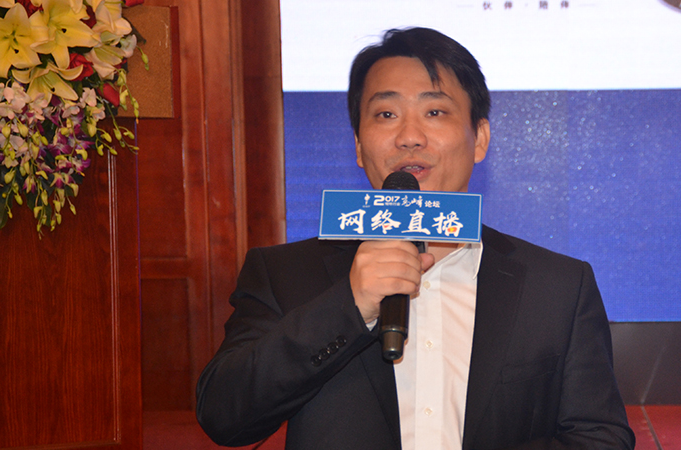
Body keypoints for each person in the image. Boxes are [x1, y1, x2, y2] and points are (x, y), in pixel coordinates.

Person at [196, 27, 635, 450]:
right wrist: (349, 305)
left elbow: (600, 438)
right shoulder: (284, 274)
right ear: (358, 145)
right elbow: (224, 416)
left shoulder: (558, 287)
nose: (409, 137)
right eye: (386, 114)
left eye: (435, 112)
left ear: (479, 139)